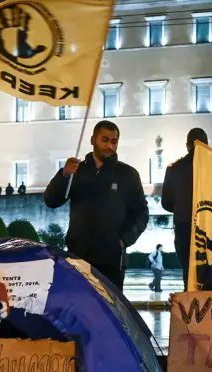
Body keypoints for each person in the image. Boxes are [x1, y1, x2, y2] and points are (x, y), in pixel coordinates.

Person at [44, 120, 148, 289]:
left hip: (112, 258)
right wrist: (63, 175)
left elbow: (141, 213)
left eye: (114, 141)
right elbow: (51, 200)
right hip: (79, 255)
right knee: (79, 305)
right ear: (93, 140)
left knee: (110, 310)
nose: (109, 146)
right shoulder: (77, 171)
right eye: (105, 140)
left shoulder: (127, 175)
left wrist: (124, 239)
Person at [162, 128, 208, 291]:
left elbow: (166, 203)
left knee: (189, 272)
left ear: (188, 145)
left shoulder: (175, 169)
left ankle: (190, 309)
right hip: (209, 226)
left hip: (185, 226)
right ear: (207, 145)